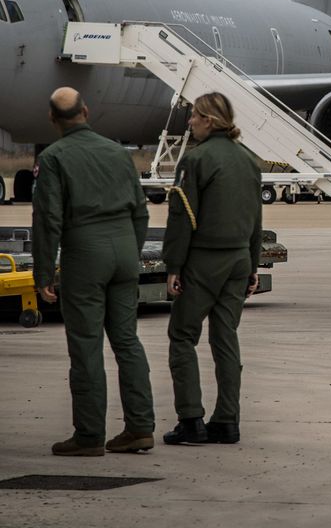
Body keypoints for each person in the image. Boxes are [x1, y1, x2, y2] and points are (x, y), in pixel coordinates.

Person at [32, 87, 155, 456]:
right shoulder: (118, 152)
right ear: (86, 111)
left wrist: (43, 272)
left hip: (85, 253)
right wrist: (129, 252)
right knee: (127, 341)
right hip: (123, 249)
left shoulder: (54, 157)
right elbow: (141, 211)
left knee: (86, 347)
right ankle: (140, 427)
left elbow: (48, 219)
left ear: (53, 119)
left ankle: (88, 434)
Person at [162, 92, 262, 445]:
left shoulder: (196, 159)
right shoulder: (249, 160)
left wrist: (173, 265)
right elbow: (256, 219)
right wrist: (252, 264)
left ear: (208, 119)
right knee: (225, 338)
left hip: (204, 261)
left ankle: (191, 421)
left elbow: (182, 217)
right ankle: (227, 421)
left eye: (194, 117)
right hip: (238, 260)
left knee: (182, 337)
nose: (190, 123)